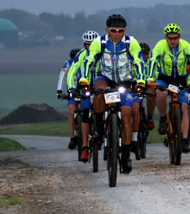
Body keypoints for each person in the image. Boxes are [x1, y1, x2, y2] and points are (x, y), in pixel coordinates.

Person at [79, 15, 145, 174]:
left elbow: (138, 62)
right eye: (113, 31)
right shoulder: (99, 43)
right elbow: (88, 61)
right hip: (105, 78)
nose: (116, 34)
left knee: (127, 115)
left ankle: (126, 155)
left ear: (125, 31)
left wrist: (141, 81)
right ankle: (99, 129)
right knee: (99, 93)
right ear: (107, 30)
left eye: (120, 31)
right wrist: (83, 79)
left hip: (125, 80)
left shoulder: (131, 42)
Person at [148, 23, 190, 153]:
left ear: (179, 37)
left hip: (180, 80)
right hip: (164, 78)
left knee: (185, 107)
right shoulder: (160, 45)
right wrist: (151, 79)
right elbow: (153, 61)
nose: (173, 41)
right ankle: (163, 118)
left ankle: (185, 139)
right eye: (170, 38)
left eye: (175, 38)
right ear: (166, 37)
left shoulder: (185, 46)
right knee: (161, 94)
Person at [66, 30, 100, 161]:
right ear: (84, 45)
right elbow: (72, 72)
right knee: (85, 114)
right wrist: (71, 88)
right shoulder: (81, 55)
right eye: (87, 44)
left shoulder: (104, 54)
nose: (90, 47)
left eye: (93, 44)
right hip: (86, 87)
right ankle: (85, 147)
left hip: (100, 87)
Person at [57, 47, 82, 150]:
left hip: (84, 90)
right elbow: (62, 76)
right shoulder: (67, 63)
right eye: (73, 59)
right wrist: (59, 90)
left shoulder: (85, 62)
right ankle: (72, 138)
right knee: (71, 112)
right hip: (72, 91)